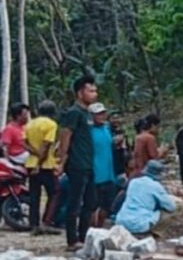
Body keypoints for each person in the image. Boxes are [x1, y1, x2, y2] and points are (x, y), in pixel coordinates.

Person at [57, 75, 99, 250]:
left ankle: (83, 236)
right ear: (80, 93)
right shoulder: (74, 112)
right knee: (75, 202)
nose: (95, 94)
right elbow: (66, 135)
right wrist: (62, 160)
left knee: (90, 202)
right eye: (91, 91)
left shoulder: (87, 114)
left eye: (95, 91)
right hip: (76, 164)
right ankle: (72, 240)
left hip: (88, 164)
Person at [24, 100, 60, 235]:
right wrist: (39, 162)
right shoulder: (51, 124)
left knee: (34, 195)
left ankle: (33, 225)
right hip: (45, 165)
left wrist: (35, 153)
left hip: (30, 163)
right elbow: (46, 145)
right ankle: (47, 222)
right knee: (55, 192)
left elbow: (25, 143)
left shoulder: (30, 124)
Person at [115, 160, 176, 235]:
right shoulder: (155, 186)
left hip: (121, 222)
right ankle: (154, 234)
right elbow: (171, 207)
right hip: (139, 224)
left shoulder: (134, 182)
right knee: (167, 213)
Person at [88, 103, 117, 227]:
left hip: (109, 174)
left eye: (103, 113)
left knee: (107, 204)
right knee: (93, 205)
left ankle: (99, 227)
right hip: (95, 174)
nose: (101, 116)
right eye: (98, 114)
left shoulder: (106, 129)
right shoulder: (88, 131)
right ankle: (90, 229)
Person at [110, 112, 129, 180]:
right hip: (112, 162)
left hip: (122, 161)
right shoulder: (107, 131)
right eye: (114, 118)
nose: (116, 120)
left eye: (118, 118)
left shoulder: (122, 131)